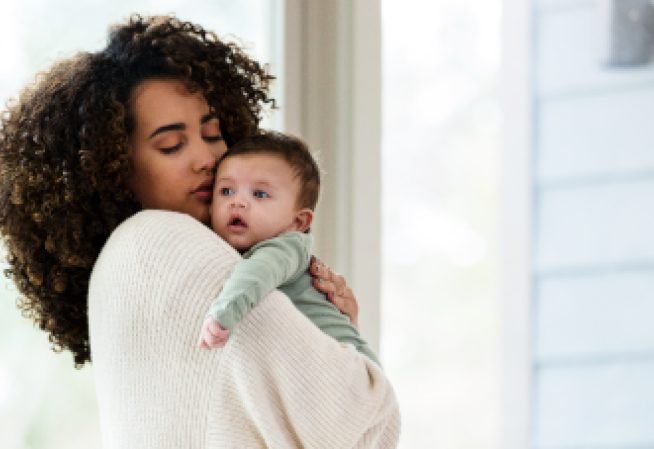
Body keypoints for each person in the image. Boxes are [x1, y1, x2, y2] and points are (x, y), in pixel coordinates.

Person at [0, 14, 400, 448]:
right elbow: (365, 418)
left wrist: (328, 327)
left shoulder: (125, 266)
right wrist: (346, 350)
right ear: (112, 170)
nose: (207, 158)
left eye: (213, 133)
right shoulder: (160, 242)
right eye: (172, 145)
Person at [197, 131, 381, 368]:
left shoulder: (285, 247)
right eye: (226, 191)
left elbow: (256, 274)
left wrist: (222, 316)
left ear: (297, 223)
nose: (238, 201)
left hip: (355, 371)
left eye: (260, 194)